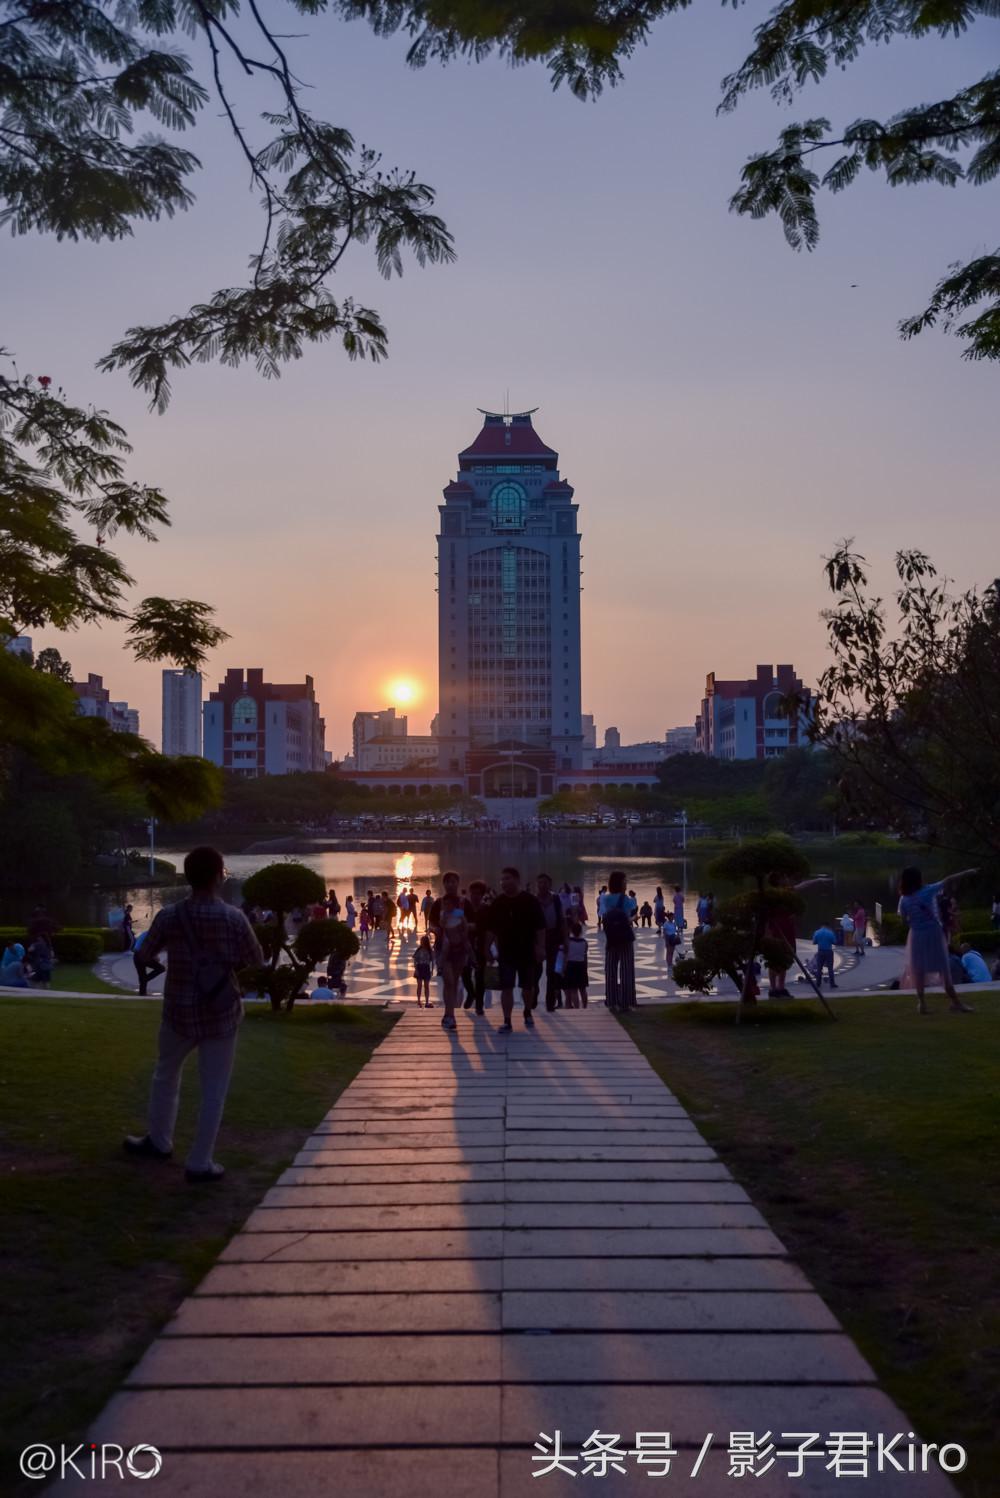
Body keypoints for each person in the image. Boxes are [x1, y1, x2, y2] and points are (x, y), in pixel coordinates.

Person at [123, 846, 263, 1183]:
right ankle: (200, 1161)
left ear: (188, 877)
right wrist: (225, 968)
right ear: (219, 875)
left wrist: (163, 964)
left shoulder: (169, 916)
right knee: (214, 1088)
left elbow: (143, 953)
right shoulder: (233, 917)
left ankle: (159, 1141)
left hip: (178, 1012)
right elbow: (256, 960)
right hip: (221, 1014)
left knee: (165, 1074)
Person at [897, 865, 977, 1014]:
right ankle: (956, 1003)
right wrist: (967, 872)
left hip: (916, 936)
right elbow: (949, 879)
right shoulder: (928, 891)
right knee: (943, 968)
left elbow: (903, 921)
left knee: (919, 969)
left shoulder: (904, 900)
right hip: (933, 933)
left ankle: (922, 1004)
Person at [486, 867, 546, 1032]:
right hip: (506, 951)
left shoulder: (530, 900)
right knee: (507, 987)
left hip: (526, 950)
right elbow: (491, 928)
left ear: (517, 880)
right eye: (502, 879)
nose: (503, 882)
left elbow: (540, 927)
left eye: (507, 879)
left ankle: (527, 1011)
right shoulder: (498, 902)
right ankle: (507, 1020)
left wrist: (541, 947)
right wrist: (487, 948)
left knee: (527, 986)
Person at [429, 871, 474, 1030]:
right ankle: (449, 1014)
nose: (450, 884)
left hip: (460, 947)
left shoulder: (464, 903)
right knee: (448, 980)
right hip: (444, 948)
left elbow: (473, 924)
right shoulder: (438, 903)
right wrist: (436, 929)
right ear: (444, 884)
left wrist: (463, 926)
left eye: (453, 881)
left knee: (454, 982)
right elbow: (431, 924)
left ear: (458, 883)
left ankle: (450, 1014)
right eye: (447, 882)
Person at [603, 870, 637, 1011]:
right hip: (624, 939)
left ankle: (611, 1002)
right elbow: (627, 919)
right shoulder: (627, 900)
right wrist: (634, 919)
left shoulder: (605, 899)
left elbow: (606, 915)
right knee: (626, 970)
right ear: (620, 883)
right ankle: (626, 1002)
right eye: (624, 881)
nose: (626, 884)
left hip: (611, 938)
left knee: (610, 970)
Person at [536, 873, 567, 1012]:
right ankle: (533, 994)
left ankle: (550, 1003)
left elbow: (562, 920)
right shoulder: (533, 900)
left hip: (553, 938)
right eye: (540, 883)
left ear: (550, 884)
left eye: (545, 883)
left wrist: (566, 939)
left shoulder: (556, 899)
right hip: (536, 939)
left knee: (552, 972)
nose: (542, 885)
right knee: (535, 971)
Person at [461, 879, 490, 1015]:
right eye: (472, 893)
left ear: (482, 894)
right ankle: (471, 993)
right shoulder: (463, 908)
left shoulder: (487, 909)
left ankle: (479, 1005)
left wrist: (490, 947)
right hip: (465, 945)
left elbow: (491, 928)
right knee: (465, 974)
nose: (474, 896)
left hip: (481, 946)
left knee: (480, 976)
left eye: (478, 893)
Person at [562, 920, 589, 1008]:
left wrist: (563, 968)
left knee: (574, 990)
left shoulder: (568, 942)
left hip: (571, 965)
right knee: (583, 989)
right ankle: (585, 1006)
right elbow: (585, 956)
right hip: (581, 965)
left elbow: (565, 956)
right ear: (581, 931)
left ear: (571, 931)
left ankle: (577, 1007)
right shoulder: (584, 942)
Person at [133, 928, 166, 996]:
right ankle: (144, 980)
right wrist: (154, 956)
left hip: (136, 956)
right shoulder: (151, 935)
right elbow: (150, 946)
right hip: (143, 955)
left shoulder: (145, 933)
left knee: (142, 975)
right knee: (161, 968)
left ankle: (142, 993)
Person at [812, 922, 838, 988]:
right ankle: (832, 984)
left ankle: (818, 983)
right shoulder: (830, 932)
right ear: (828, 926)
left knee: (819, 968)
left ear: (822, 926)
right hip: (829, 951)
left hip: (820, 951)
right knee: (830, 968)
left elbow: (814, 942)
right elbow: (834, 942)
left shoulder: (817, 932)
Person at [413, 935, 435, 1006]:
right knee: (419, 985)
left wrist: (432, 970)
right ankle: (418, 1000)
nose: (421, 942)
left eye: (422, 941)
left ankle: (427, 1001)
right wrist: (416, 969)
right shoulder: (418, 950)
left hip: (426, 968)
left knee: (426, 986)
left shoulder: (430, 951)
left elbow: (432, 961)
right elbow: (415, 960)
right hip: (419, 967)